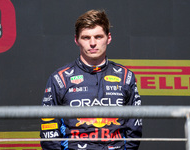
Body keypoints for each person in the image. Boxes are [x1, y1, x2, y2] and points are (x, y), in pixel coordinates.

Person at [40, 9, 142, 150]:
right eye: (86, 37)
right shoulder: (60, 79)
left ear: (109, 38)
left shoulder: (125, 77)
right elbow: (49, 131)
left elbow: (134, 129)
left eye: (98, 37)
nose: (92, 43)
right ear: (76, 40)